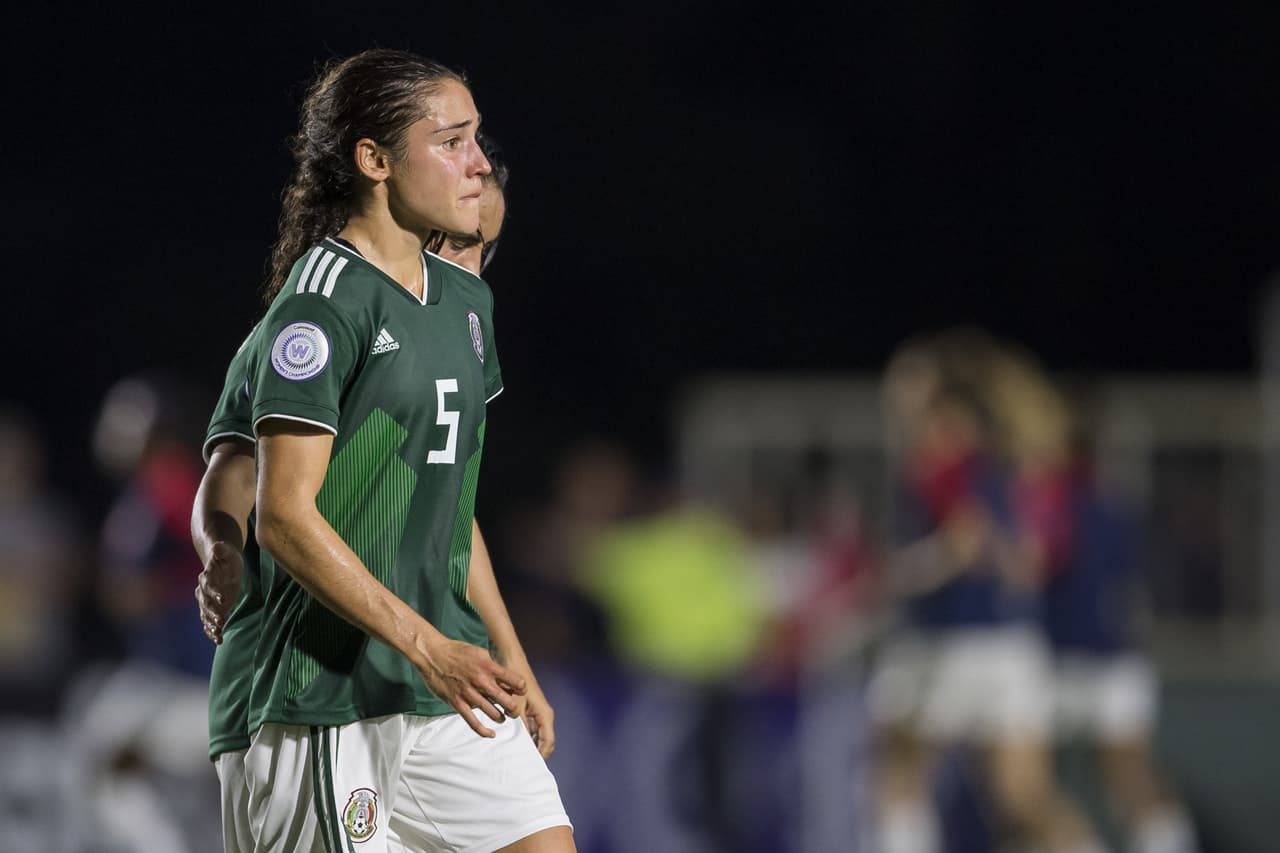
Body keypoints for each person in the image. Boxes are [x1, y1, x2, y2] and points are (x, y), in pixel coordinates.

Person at [201, 49, 573, 853]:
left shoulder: (467, 304)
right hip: (324, 694)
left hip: (441, 682)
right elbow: (281, 514)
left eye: (478, 140)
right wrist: (219, 545)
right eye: (453, 141)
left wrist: (509, 658)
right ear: (373, 160)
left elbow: (447, 505)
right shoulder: (320, 306)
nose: (478, 164)